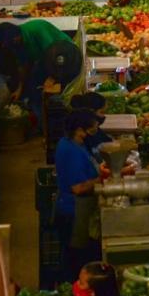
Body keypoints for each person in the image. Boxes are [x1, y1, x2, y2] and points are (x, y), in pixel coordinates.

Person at [0, 19, 80, 117]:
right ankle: (37, 114)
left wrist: (52, 78)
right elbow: (23, 65)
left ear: (15, 37)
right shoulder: (16, 44)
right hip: (46, 59)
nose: (6, 46)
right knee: (32, 86)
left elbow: (54, 55)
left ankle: (52, 116)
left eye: (6, 43)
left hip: (66, 56)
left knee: (49, 92)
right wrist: (19, 88)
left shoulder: (36, 29)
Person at [54, 110, 101, 282]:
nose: (95, 133)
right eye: (93, 129)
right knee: (76, 261)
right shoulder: (71, 151)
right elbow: (78, 188)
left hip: (76, 210)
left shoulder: (73, 144)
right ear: (81, 130)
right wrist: (101, 179)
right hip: (73, 213)